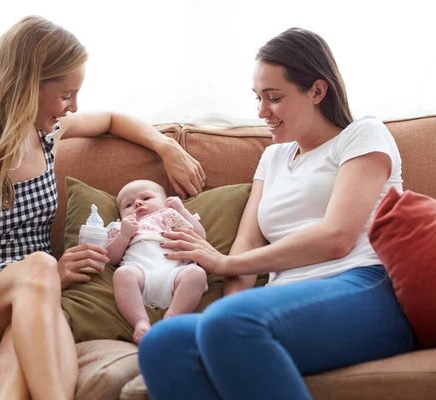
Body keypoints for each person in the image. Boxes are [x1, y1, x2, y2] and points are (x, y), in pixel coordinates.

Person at [0, 16, 206, 400]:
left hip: (40, 300)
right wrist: (50, 273)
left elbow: (113, 120)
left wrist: (167, 147)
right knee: (40, 264)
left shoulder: (45, 133)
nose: (74, 107)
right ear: (25, 86)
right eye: (66, 94)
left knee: (13, 362)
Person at [138, 27, 415, 400]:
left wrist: (221, 265)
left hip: (362, 285)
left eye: (274, 98)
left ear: (317, 91)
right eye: (257, 98)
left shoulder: (363, 135)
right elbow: (248, 244)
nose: (261, 112)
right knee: (163, 343)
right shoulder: (273, 157)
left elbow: (337, 237)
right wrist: (229, 288)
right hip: (285, 298)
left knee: (230, 324)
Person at [107, 179, 208, 344]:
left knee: (196, 274)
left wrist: (181, 210)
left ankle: (172, 318)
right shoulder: (121, 227)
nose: (138, 204)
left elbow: (200, 236)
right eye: (128, 205)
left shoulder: (169, 216)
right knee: (123, 274)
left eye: (146, 198)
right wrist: (124, 235)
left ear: (165, 203)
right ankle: (140, 321)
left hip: (175, 275)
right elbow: (111, 258)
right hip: (141, 275)